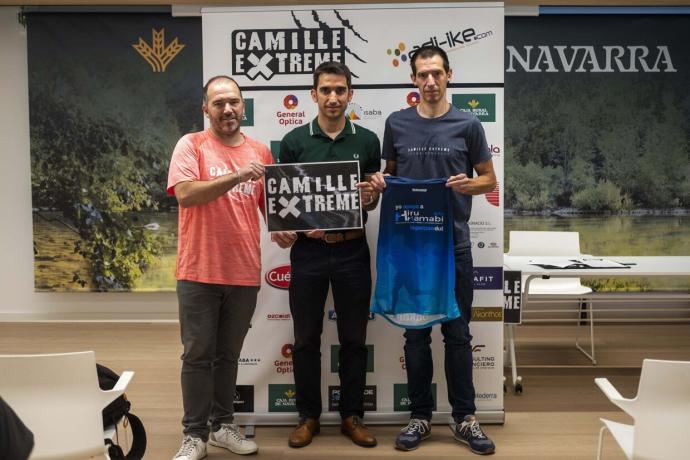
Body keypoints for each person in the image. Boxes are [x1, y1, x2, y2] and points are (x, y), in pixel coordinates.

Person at [370, 45, 497, 455]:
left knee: (458, 334)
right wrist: (377, 182)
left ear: (449, 75)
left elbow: (489, 181)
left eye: (436, 74)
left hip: (455, 246)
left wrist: (468, 184)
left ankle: (465, 418)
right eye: (422, 75)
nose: (429, 81)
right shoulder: (397, 124)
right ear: (413, 80)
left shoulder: (468, 124)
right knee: (416, 334)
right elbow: (386, 176)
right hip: (410, 249)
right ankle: (420, 417)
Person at [271, 61, 381, 448]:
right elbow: (286, 205)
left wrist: (372, 195)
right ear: (313, 94)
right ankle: (308, 416)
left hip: (352, 249)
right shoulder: (294, 141)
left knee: (354, 338)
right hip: (309, 253)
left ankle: (351, 415)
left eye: (340, 90)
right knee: (305, 339)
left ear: (350, 95)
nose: (333, 98)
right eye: (326, 90)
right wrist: (291, 228)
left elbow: (366, 202)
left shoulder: (367, 141)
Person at [167, 75, 272, 460]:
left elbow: (270, 209)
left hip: (243, 272)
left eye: (233, 102)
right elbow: (186, 194)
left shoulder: (261, 150)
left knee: (229, 356)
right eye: (219, 103)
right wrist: (236, 175)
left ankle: (223, 426)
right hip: (198, 271)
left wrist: (289, 232)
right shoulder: (191, 144)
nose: (227, 109)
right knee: (197, 355)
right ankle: (194, 434)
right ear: (206, 109)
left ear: (243, 106)